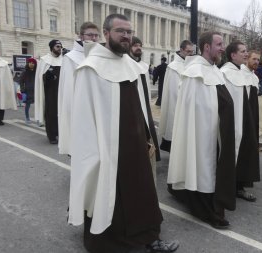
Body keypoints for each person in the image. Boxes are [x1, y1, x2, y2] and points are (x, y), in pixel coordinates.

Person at [68, 14, 179, 253]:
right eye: (120, 31)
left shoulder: (132, 66)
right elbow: (84, 117)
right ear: (107, 34)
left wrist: (148, 138)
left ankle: (149, 238)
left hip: (136, 146)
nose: (126, 36)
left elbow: (140, 107)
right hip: (107, 148)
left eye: (129, 31)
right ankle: (108, 242)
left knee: (143, 193)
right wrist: (93, 153)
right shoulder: (90, 69)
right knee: (109, 196)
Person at [167, 31, 235, 229]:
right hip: (202, 134)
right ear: (207, 47)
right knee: (203, 167)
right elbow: (192, 109)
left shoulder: (213, 69)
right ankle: (205, 208)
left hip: (214, 133)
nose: (223, 48)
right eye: (220, 44)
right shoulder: (194, 71)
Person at [220, 41, 260, 202]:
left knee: (244, 151)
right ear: (233, 54)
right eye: (243, 51)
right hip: (233, 121)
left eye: (246, 51)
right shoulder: (224, 73)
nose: (246, 54)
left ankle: (238, 185)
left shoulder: (244, 74)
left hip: (245, 119)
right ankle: (230, 186)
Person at [58, 22, 100, 155]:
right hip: (78, 104)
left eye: (96, 35)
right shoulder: (70, 58)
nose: (93, 38)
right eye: (90, 35)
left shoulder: (100, 56)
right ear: (81, 36)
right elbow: (69, 88)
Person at [129, 36, 161, 182]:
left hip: (145, 106)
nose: (138, 48)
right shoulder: (126, 64)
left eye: (140, 45)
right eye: (135, 45)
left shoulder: (143, 65)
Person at [159, 40, 194, 152]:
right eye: (188, 51)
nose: (190, 54)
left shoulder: (191, 64)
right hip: (179, 106)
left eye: (192, 52)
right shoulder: (174, 67)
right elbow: (174, 93)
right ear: (182, 50)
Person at [34, 39, 63, 144]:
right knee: (51, 113)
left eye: (60, 46)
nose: (59, 49)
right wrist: (47, 76)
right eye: (57, 47)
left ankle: (61, 133)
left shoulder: (64, 60)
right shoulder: (45, 60)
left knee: (62, 113)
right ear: (52, 48)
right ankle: (51, 135)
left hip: (62, 92)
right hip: (50, 93)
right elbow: (40, 78)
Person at [19, 58, 37, 123]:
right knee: (28, 105)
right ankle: (27, 118)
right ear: (28, 63)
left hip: (36, 91)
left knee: (37, 105)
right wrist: (22, 90)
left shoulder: (36, 72)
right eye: (30, 63)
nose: (31, 64)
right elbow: (21, 81)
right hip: (27, 91)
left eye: (33, 63)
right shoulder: (25, 72)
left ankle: (38, 119)